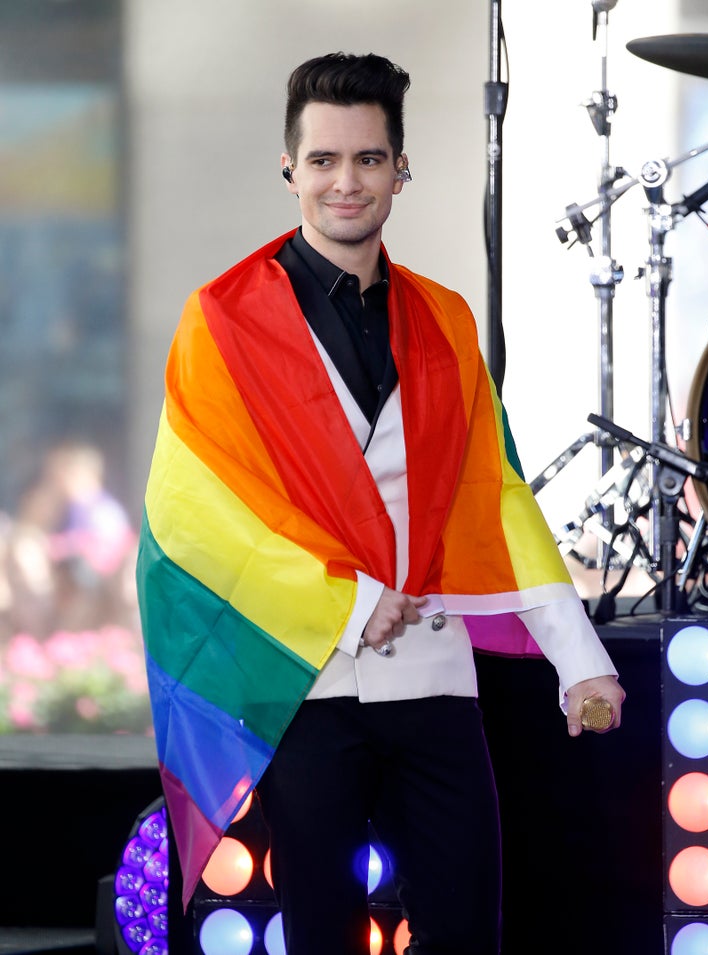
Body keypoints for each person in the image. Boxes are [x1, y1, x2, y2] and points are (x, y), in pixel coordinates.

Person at [136, 52, 626, 955]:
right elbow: (201, 518)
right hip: (307, 683)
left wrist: (580, 658)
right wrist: (354, 603)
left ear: (401, 169)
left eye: (368, 158)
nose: (345, 182)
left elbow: (497, 496)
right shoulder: (221, 320)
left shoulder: (446, 320)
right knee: (322, 939)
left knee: (469, 929)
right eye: (323, 160)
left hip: (436, 682)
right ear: (290, 170)